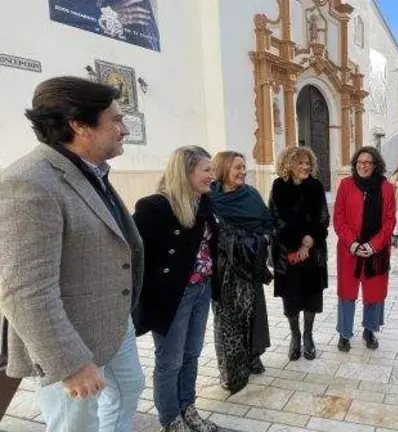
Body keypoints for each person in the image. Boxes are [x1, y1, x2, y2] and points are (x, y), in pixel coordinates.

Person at [0, 76, 144, 432]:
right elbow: (23, 290)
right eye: (116, 119)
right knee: (75, 425)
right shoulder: (29, 182)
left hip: (113, 323)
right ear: (79, 125)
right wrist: (70, 364)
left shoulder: (90, 170)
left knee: (128, 389)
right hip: (69, 339)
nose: (124, 129)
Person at [133, 146, 218, 432]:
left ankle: (187, 407)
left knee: (192, 353)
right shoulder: (154, 207)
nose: (212, 175)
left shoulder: (204, 202)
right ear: (186, 171)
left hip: (202, 290)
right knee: (170, 361)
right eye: (206, 169)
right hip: (173, 296)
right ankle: (170, 420)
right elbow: (135, 257)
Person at [209, 151, 273, 394]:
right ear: (224, 168)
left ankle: (253, 356)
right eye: (237, 167)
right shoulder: (210, 199)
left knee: (254, 312)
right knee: (227, 320)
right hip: (225, 270)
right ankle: (231, 370)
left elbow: (267, 222)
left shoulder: (251, 195)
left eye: (244, 167)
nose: (243, 172)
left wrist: (260, 240)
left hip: (249, 265)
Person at [269, 147, 329, 362]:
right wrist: (297, 242)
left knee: (312, 295)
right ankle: (295, 336)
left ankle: (309, 336)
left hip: (313, 253)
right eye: (300, 163)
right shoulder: (278, 186)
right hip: (287, 253)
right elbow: (276, 219)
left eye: (308, 163)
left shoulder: (316, 186)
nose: (305, 167)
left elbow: (323, 218)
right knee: (291, 297)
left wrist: (309, 242)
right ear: (288, 165)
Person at [333, 146, 396, 352]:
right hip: (348, 250)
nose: (363, 166)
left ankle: (370, 331)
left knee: (374, 293)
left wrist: (372, 245)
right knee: (347, 293)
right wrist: (352, 243)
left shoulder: (386, 188)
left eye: (368, 162)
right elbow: (339, 218)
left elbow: (389, 221)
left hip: (376, 252)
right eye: (360, 162)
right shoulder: (345, 185)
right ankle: (344, 333)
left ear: (375, 165)